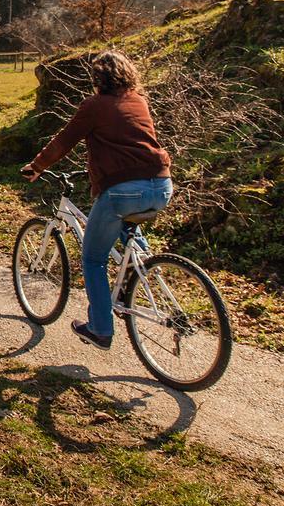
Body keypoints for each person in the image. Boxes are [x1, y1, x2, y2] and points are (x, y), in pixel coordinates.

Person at [20, 50, 172, 349]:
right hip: (162, 184)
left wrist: (37, 166)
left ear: (97, 78)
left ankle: (100, 329)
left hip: (123, 191)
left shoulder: (94, 105)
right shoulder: (139, 101)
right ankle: (136, 268)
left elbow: (65, 140)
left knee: (92, 260)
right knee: (127, 225)